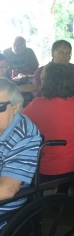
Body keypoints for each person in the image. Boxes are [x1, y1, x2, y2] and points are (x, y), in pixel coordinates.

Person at [22, 62, 74, 176]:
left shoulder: (37, 104)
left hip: (51, 168)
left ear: (46, 82)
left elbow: (17, 124)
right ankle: (63, 189)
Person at [0, 78, 41, 218]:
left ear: (15, 107)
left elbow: (7, 189)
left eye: (0, 106)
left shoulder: (24, 135)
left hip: (4, 209)